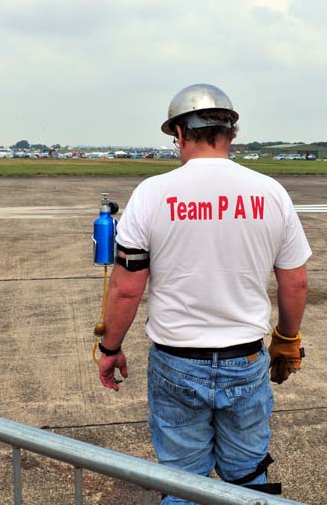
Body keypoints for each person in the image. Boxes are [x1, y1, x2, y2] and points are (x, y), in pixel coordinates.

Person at [97, 84, 311, 502]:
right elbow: (295, 280)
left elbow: (126, 288)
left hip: (177, 360)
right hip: (246, 359)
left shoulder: (152, 194)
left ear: (179, 133)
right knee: (249, 478)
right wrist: (287, 340)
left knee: (181, 480)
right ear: (231, 133)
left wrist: (110, 348)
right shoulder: (271, 193)